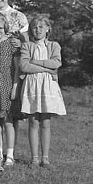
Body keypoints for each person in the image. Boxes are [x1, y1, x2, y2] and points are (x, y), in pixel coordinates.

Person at [19, 15, 66, 170]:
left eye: (41, 27)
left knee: (45, 122)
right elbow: (24, 66)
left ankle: (45, 158)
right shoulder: (26, 46)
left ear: (47, 29)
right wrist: (47, 69)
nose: (37, 30)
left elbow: (56, 63)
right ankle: (34, 158)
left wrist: (37, 62)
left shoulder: (53, 45)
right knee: (33, 121)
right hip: (32, 85)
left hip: (47, 86)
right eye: (34, 27)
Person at [0, 12, 22, 167]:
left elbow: (17, 68)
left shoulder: (12, 45)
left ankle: (10, 154)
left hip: (8, 85)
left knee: (8, 121)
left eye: (1, 28)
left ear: (5, 27)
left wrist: (15, 87)